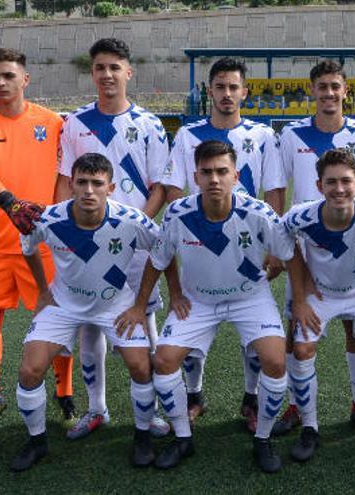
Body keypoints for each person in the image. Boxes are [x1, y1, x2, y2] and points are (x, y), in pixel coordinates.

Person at [117, 140, 294, 473]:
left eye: (222, 171)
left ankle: (263, 439)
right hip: (198, 299)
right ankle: (183, 438)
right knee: (165, 360)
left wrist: (292, 289)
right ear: (195, 177)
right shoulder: (179, 212)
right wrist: (143, 305)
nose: (214, 179)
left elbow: (288, 255)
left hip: (248, 298)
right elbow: (158, 259)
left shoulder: (257, 213)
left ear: (235, 175)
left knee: (274, 359)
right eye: (207, 172)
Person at [10, 153, 160, 471]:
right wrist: (43, 291)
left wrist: (139, 303)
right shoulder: (49, 219)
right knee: (30, 370)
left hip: (115, 305)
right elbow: (28, 246)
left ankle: (143, 437)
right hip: (63, 305)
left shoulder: (132, 220)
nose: (89, 190)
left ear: (111, 187)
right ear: (71, 185)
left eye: (97, 183)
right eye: (82, 182)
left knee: (141, 367)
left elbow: (163, 254)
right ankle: (37, 443)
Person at [55, 38, 170, 440]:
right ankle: (97, 409)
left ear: (128, 72)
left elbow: (159, 186)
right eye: (100, 67)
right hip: (85, 243)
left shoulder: (150, 124)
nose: (107, 74)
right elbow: (65, 182)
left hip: (133, 246)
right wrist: (62, 234)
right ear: (93, 73)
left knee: (144, 323)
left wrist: (135, 227)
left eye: (114, 67)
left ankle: (152, 410)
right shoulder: (74, 122)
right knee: (89, 327)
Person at [164, 57, 286, 430]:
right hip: (202, 239)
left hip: (248, 244)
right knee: (191, 332)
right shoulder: (188, 135)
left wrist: (271, 245)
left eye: (234, 87)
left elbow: (275, 189)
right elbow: (174, 189)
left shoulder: (263, 135)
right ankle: (194, 394)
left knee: (254, 337)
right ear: (210, 91)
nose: (227, 94)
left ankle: (251, 399)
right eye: (220, 86)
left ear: (244, 92)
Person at [0, 47, 75, 440]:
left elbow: (67, 172)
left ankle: (65, 394)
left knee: (56, 319)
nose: (1, 83)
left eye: (9, 76)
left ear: (25, 79)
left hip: (43, 244)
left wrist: (58, 216)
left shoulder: (53, 122)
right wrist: (11, 203)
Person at [271, 59, 355, 436]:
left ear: (345, 90)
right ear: (313, 91)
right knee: (297, 328)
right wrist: (277, 244)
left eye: (336, 86)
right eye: (323, 87)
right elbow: (278, 189)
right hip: (305, 250)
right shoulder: (290, 135)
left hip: (353, 247)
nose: (329, 93)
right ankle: (295, 405)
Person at [283, 149, 355, 463]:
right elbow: (285, 241)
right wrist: (302, 290)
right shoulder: (300, 215)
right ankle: (310, 428)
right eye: (331, 182)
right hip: (320, 294)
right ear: (319, 185)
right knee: (303, 350)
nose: (339, 189)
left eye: (346, 181)